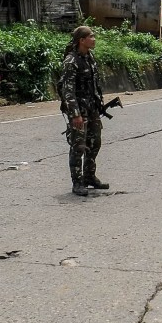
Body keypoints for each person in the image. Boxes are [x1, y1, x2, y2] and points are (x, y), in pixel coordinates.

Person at [59, 26, 108, 197]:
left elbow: (94, 85)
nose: (94, 39)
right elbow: (68, 91)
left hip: (92, 108)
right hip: (79, 111)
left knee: (95, 143)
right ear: (82, 40)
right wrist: (75, 115)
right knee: (78, 146)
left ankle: (89, 176)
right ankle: (77, 182)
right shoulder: (71, 62)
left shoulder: (90, 57)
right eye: (91, 36)